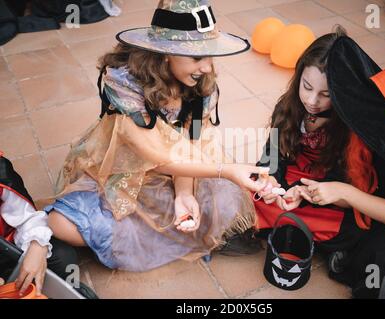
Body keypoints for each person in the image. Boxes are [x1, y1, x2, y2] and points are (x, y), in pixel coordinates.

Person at [45, 0, 268, 273]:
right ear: (165, 53)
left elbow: (190, 144)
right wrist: (227, 170)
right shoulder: (124, 83)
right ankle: (154, 237)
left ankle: (157, 232)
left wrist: (184, 193)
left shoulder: (201, 84)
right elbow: (157, 157)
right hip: (124, 170)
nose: (208, 68)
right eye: (197, 57)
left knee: (226, 201)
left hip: (176, 168)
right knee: (61, 223)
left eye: (210, 56)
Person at [255, 31, 385, 298]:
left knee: (376, 249)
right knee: (261, 198)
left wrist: (335, 193)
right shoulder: (365, 122)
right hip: (351, 200)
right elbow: (274, 156)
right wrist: (275, 182)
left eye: (325, 94)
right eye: (307, 87)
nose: (312, 101)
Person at [0, 151, 79, 296]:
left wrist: (37, 246)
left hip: (6, 251)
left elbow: (27, 217)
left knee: (64, 257)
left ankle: (73, 290)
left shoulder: (1, 172)